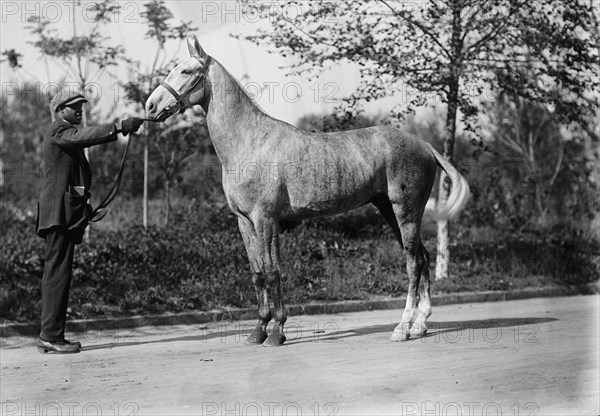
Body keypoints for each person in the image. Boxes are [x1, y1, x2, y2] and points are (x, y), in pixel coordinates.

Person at [35, 89, 143, 354]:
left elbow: (73, 178)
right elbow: (84, 136)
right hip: (57, 216)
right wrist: (117, 127)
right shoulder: (59, 131)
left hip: (64, 214)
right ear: (61, 111)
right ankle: (50, 336)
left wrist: (82, 205)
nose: (80, 110)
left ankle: (51, 335)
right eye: (75, 107)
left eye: (81, 106)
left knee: (60, 273)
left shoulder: (65, 135)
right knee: (57, 274)